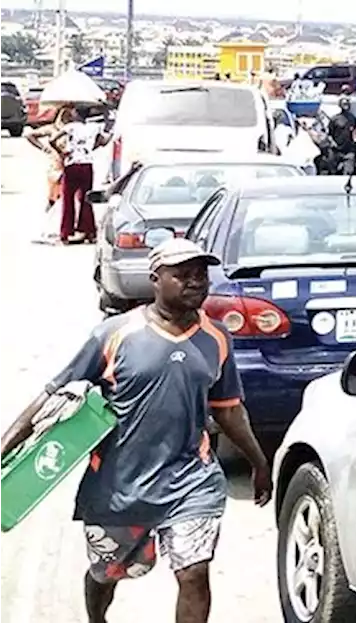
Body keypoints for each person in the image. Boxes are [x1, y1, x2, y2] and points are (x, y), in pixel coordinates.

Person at [0, 238, 273, 623]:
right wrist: (5, 449)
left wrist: (260, 462)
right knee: (105, 575)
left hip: (191, 482)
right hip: (120, 485)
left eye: (201, 275)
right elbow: (51, 395)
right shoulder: (114, 334)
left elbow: (228, 411)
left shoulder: (216, 339)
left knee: (194, 574)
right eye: (183, 275)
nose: (196, 282)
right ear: (155, 279)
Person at [50, 107, 109, 244]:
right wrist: (92, 147)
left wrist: (62, 151)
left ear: (76, 114)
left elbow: (52, 140)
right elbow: (104, 141)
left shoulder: (70, 127)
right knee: (86, 199)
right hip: (87, 165)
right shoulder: (94, 128)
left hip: (72, 164)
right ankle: (89, 231)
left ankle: (66, 232)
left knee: (68, 199)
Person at [28, 104, 73, 213]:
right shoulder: (52, 128)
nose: (67, 118)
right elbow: (30, 135)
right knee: (55, 191)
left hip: (71, 162)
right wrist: (44, 148)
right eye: (65, 115)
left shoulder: (73, 128)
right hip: (56, 164)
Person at [328, 97, 356, 163]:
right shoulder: (335, 119)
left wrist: (355, 140)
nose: (346, 105)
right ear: (340, 105)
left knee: (348, 171)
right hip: (337, 151)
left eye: (347, 103)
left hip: (349, 151)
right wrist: (333, 143)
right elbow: (329, 134)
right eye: (344, 104)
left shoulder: (353, 118)